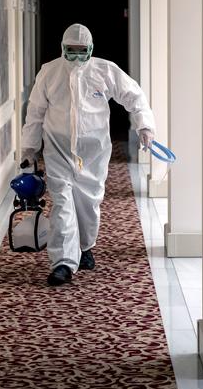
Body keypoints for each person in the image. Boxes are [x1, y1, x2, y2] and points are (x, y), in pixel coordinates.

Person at [21, 23, 155, 286]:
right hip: (58, 148)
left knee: (89, 202)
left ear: (91, 49)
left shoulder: (105, 70)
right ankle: (62, 263)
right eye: (71, 51)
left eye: (82, 51)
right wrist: (29, 148)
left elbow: (134, 96)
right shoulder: (50, 72)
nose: (76, 57)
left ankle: (84, 247)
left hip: (94, 151)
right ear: (62, 48)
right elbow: (35, 112)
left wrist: (145, 126)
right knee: (62, 203)